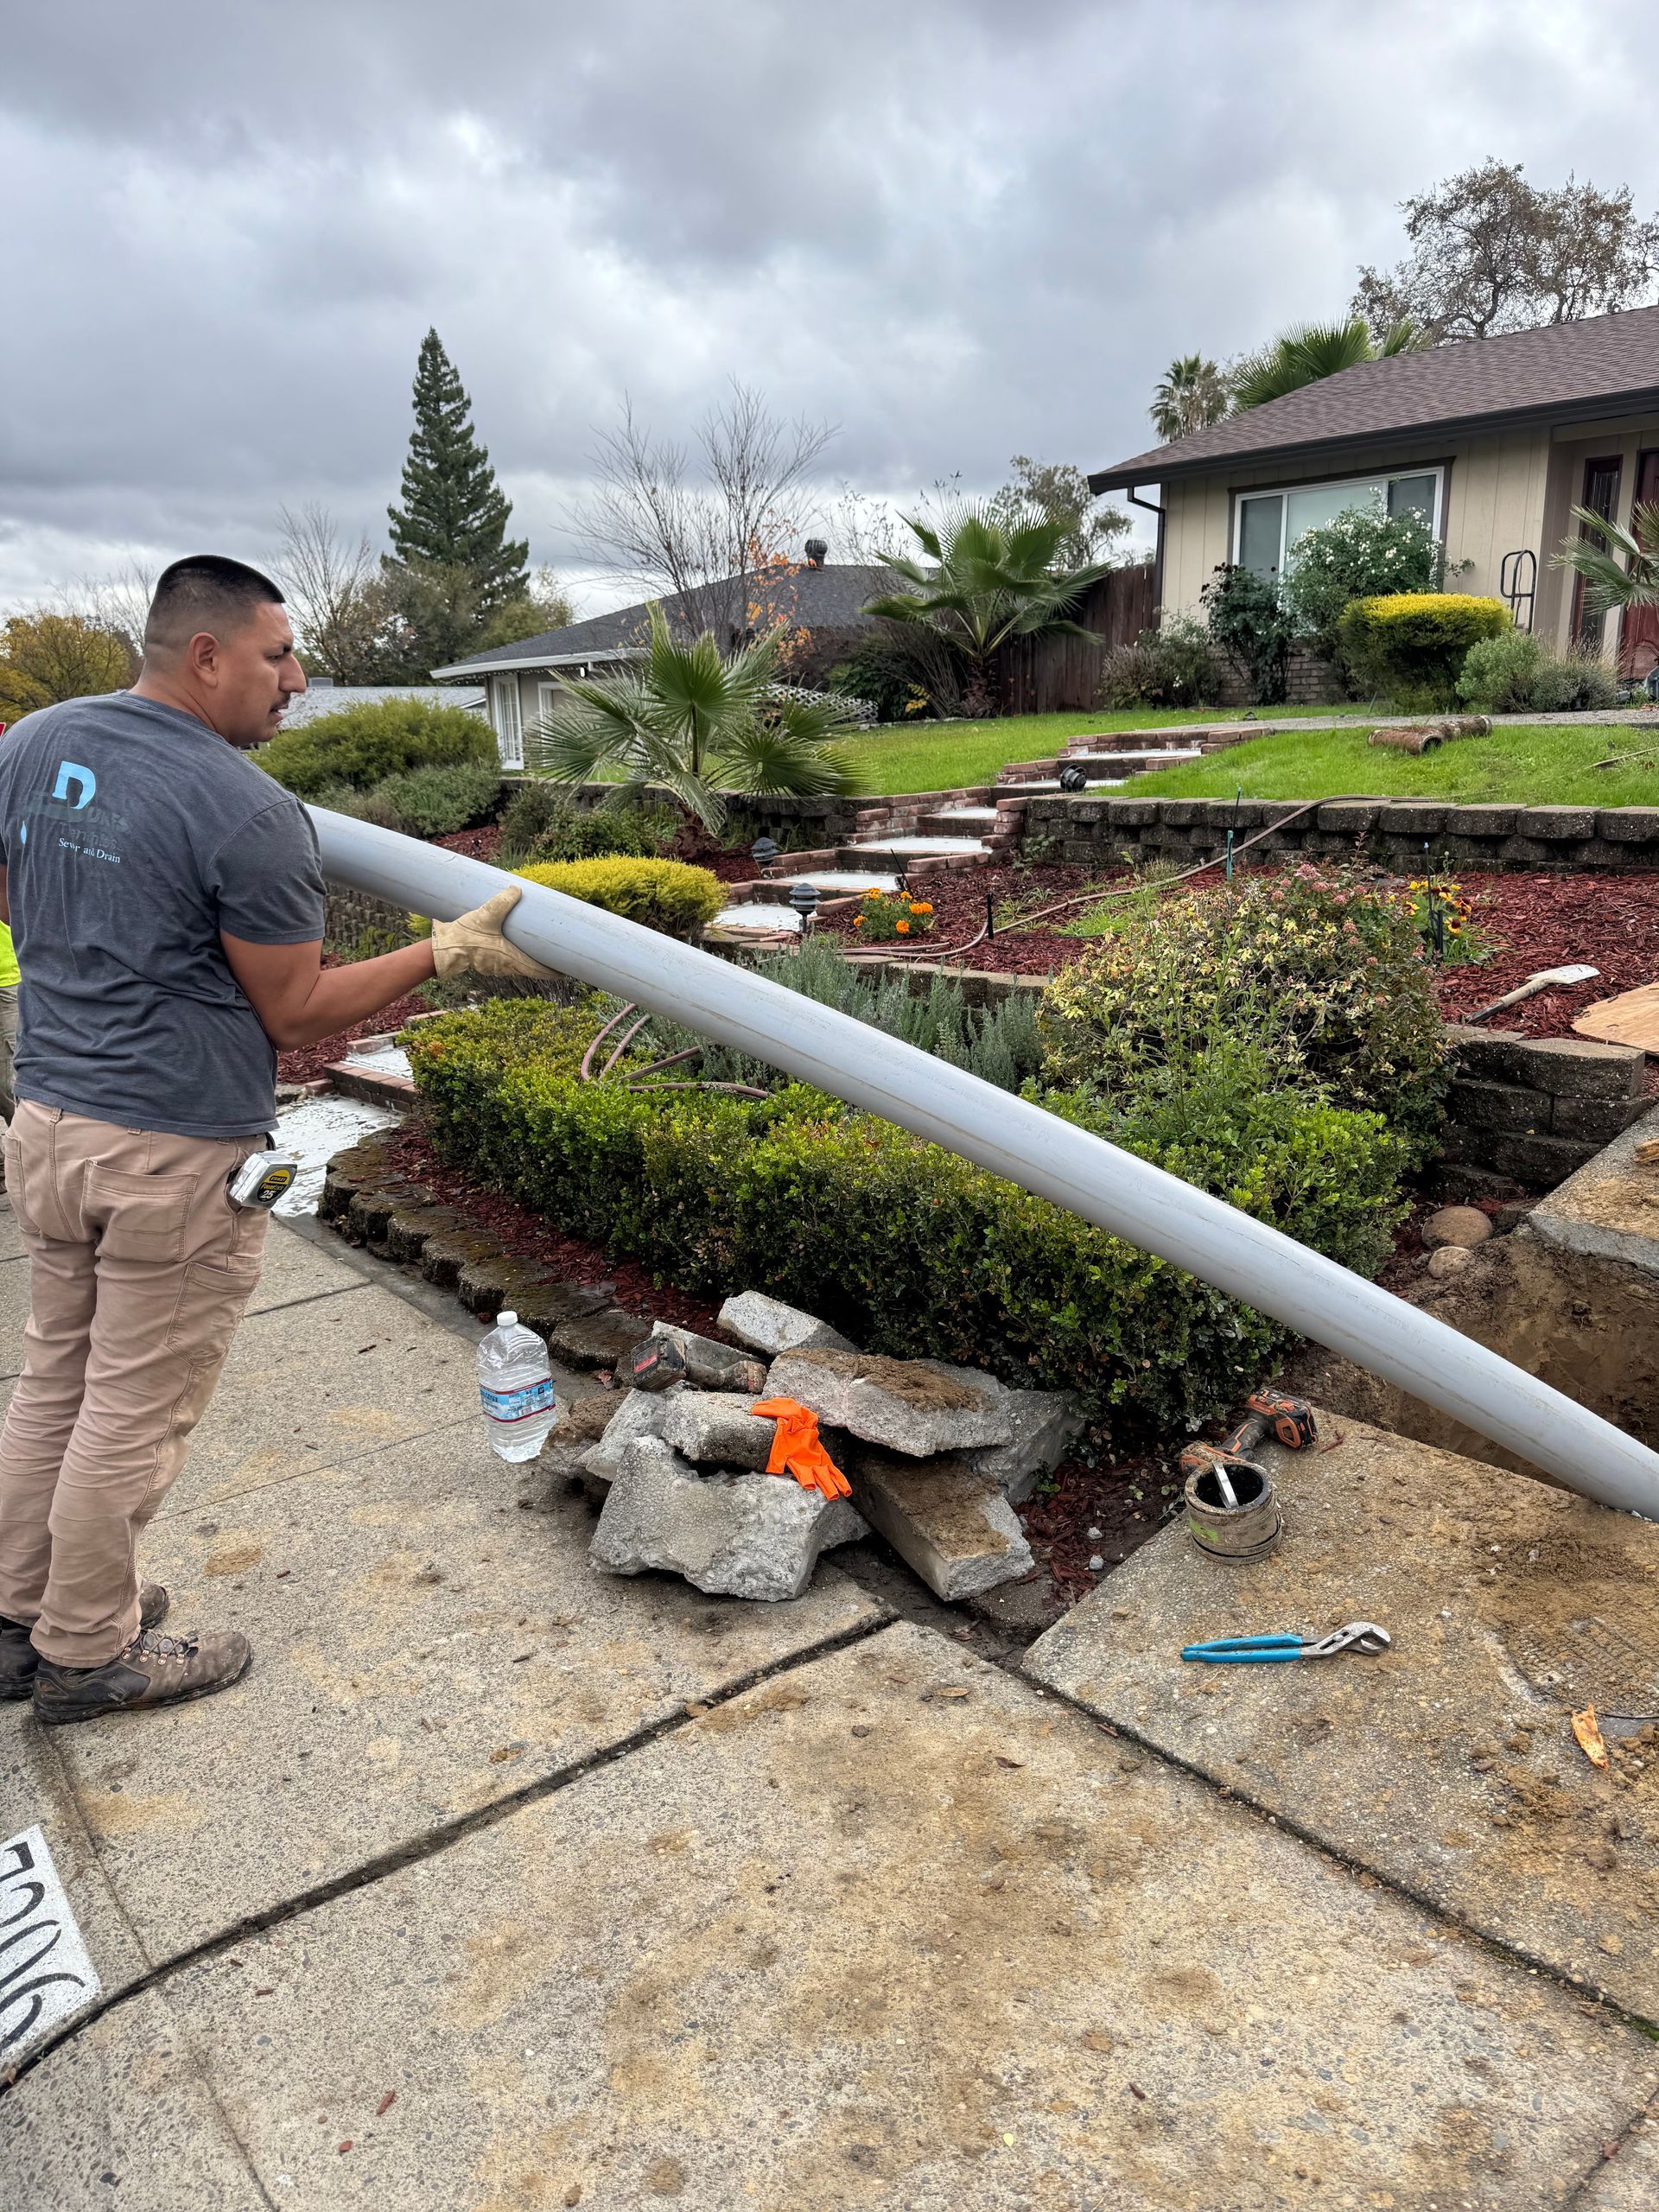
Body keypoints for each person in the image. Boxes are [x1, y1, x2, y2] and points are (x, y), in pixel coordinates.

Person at [0, 555, 550, 1723]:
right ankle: (88, 1652)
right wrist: (442, 951)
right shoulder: (246, 812)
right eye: (278, 655)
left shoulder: (37, 742)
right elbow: (296, 1014)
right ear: (206, 655)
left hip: (47, 1120)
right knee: (131, 1406)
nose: (296, 679)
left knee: (56, 1377)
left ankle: (21, 1615)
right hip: (167, 1149)